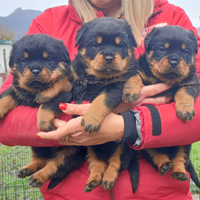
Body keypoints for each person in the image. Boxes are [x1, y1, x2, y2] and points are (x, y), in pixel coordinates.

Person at [0, 0, 200, 199]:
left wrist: (131, 125)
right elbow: (7, 121)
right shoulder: (49, 21)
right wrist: (78, 123)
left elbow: (194, 97)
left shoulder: (172, 16)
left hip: (162, 194)